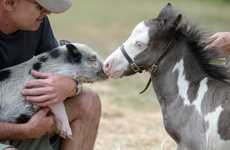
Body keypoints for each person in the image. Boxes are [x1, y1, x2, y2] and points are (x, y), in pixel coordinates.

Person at [0, 0, 101, 150]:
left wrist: (71, 86)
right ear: (9, 2)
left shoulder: (38, 24)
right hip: (17, 129)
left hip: (23, 120)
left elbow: (62, 70)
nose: (47, 12)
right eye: (40, 6)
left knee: (88, 101)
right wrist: (25, 131)